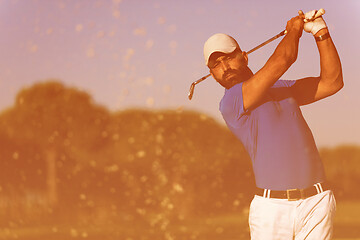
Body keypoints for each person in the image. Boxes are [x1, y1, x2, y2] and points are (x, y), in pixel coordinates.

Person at [202, 10, 343, 240]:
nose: (224, 67)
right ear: (212, 74)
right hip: (272, 210)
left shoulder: (282, 87)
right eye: (216, 65)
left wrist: (320, 32)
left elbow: (332, 82)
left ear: (244, 57)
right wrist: (294, 30)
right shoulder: (232, 101)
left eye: (228, 57)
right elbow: (284, 59)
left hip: (317, 202)